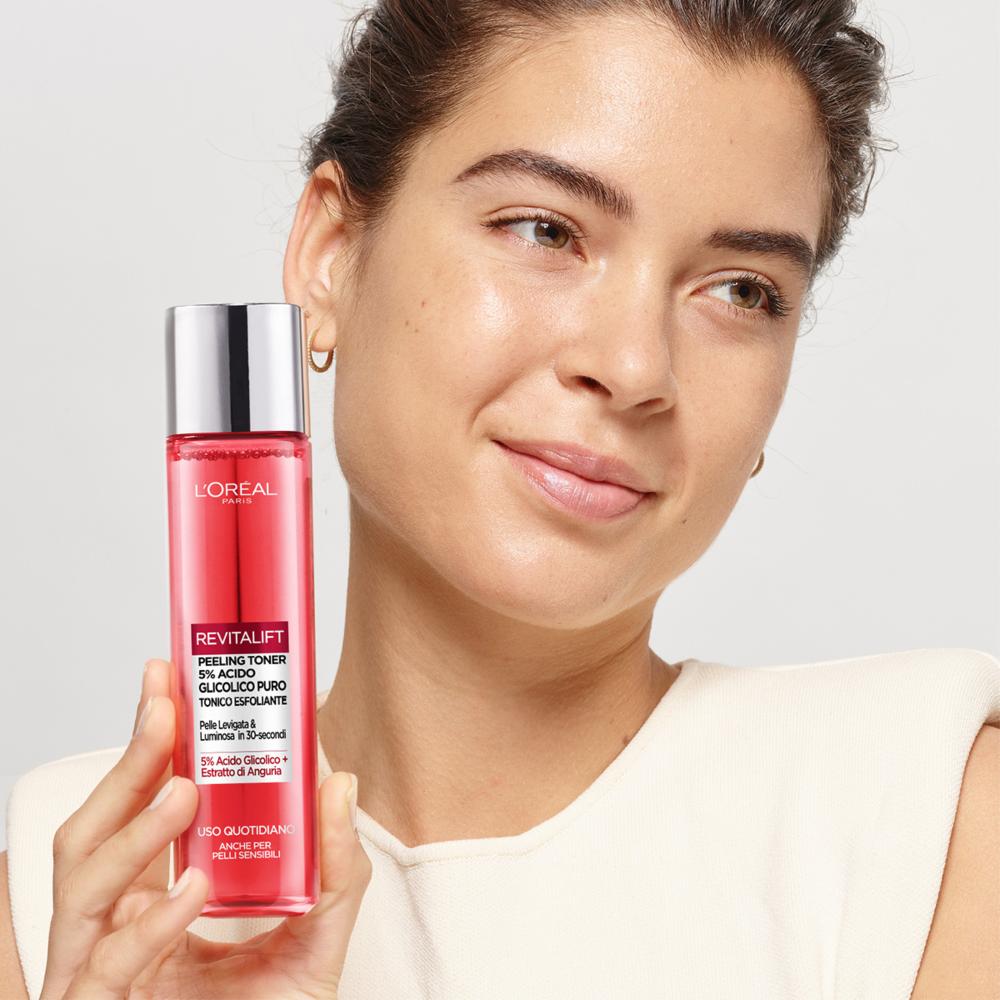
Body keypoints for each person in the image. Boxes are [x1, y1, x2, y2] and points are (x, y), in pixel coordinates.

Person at [3, 0, 998, 997]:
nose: (633, 367)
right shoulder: (74, 900)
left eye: (741, 290)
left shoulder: (933, 823)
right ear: (332, 253)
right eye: (544, 229)